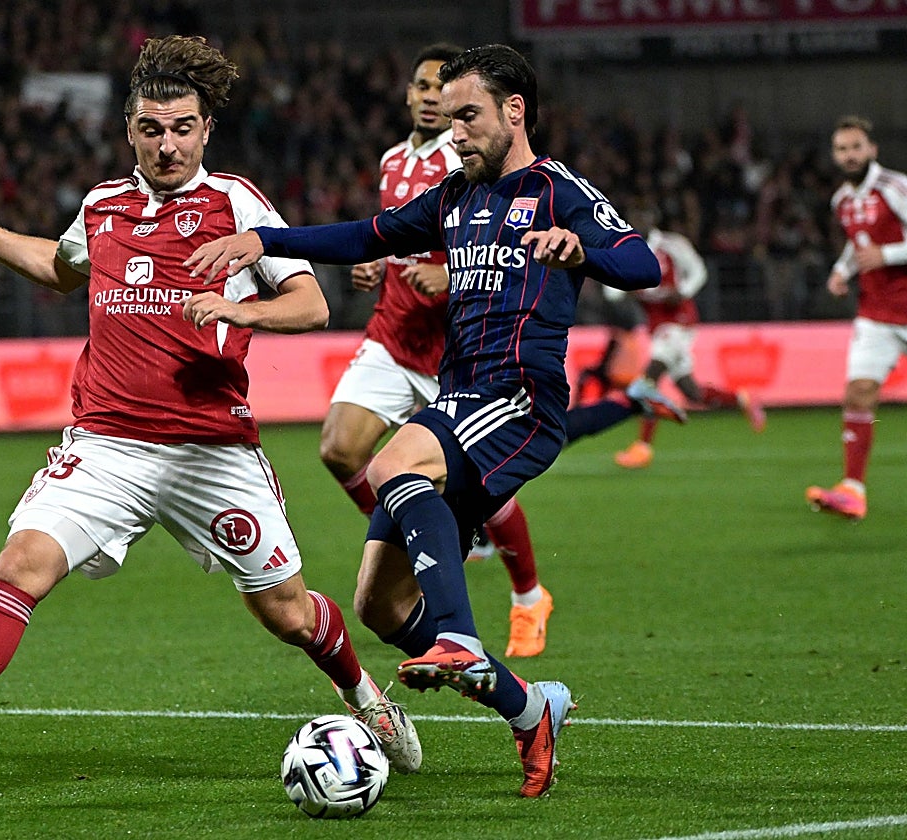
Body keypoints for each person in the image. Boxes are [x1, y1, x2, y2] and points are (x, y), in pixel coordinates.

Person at [0, 35, 421, 775]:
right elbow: (57, 269)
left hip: (211, 451)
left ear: (206, 129)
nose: (167, 146)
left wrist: (239, 309)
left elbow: (311, 304)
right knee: (23, 561)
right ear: (129, 130)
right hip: (107, 444)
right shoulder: (102, 206)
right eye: (152, 130)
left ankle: (361, 692)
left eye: (182, 129)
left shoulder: (235, 202)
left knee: (285, 610)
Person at [187, 44, 663, 797]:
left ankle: (462, 636)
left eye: (468, 116)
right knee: (378, 604)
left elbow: (643, 263)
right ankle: (530, 707)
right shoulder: (453, 198)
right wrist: (265, 239)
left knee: (389, 465)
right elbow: (365, 237)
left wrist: (583, 249)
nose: (455, 131)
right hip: (458, 395)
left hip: (519, 398)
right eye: (448, 117)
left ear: (515, 112)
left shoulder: (554, 190)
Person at [321, 43, 558, 659]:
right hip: (394, 333)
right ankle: (424, 542)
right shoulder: (394, 159)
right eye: (421, 86)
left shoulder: (476, 162)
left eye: (441, 89)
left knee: (493, 496)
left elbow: (505, 257)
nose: (430, 97)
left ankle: (529, 595)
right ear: (406, 95)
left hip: (457, 351)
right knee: (339, 447)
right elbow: (391, 233)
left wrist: (451, 279)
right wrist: (376, 263)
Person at [612, 200, 766, 470]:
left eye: (644, 214)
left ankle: (643, 447)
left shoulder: (671, 244)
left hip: (679, 321)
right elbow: (610, 291)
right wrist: (624, 287)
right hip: (657, 327)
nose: (639, 220)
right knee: (691, 392)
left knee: (649, 379)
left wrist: (682, 292)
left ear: (654, 218)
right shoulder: (624, 249)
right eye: (635, 215)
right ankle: (742, 398)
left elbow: (698, 271)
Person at [806, 115, 907, 521]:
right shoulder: (841, 201)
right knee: (859, 392)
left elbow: (881, 249)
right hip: (877, 313)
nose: (849, 155)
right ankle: (853, 490)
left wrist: (888, 255)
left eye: (856, 147)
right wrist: (842, 270)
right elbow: (857, 245)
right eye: (842, 149)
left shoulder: (895, 188)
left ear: (872, 150)